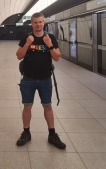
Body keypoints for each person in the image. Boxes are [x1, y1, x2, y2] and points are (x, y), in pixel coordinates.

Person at [15, 12, 66, 149]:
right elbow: (19, 56)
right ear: (32, 23)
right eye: (35, 22)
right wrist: (27, 44)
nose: (38, 24)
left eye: (40, 22)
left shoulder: (51, 38)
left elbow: (57, 57)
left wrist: (49, 45)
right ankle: (26, 132)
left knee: (47, 106)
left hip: (45, 79)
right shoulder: (26, 37)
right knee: (27, 106)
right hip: (28, 79)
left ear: (44, 23)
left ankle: (52, 134)